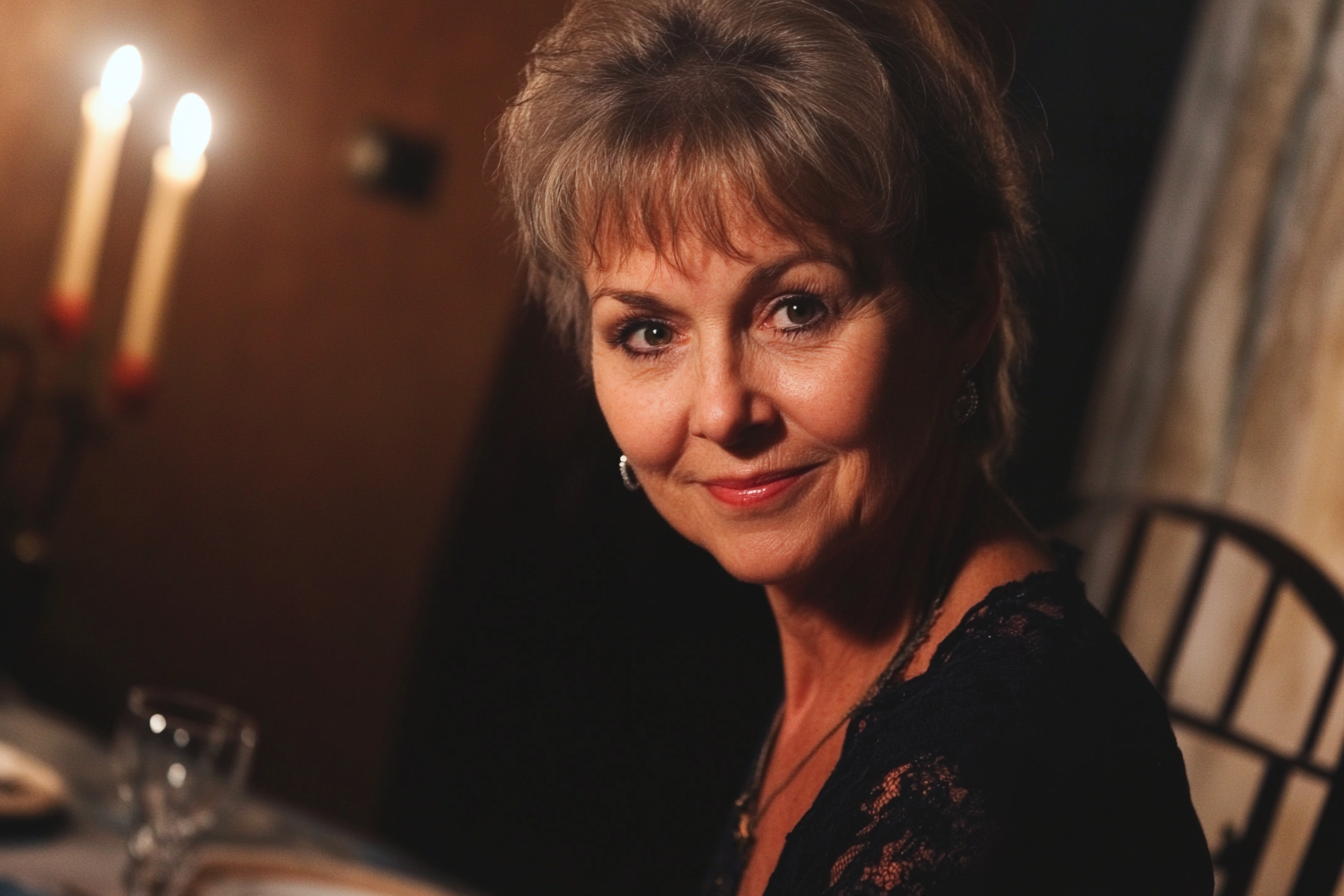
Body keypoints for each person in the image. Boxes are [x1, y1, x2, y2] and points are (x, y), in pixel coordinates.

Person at [496, 0, 1213, 893]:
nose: (721, 411)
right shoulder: (860, 653)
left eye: (797, 309)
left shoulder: (1000, 761)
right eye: (648, 332)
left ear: (964, 303)